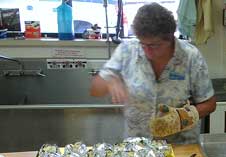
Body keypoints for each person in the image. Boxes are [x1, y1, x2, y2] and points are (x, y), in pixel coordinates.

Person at [90, 2, 216, 144]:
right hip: (137, 149)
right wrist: (110, 80)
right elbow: (95, 90)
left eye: (154, 45)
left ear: (170, 39)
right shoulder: (127, 50)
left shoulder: (191, 56)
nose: (147, 51)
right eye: (143, 44)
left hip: (180, 147)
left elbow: (210, 104)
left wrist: (182, 117)